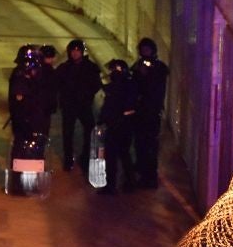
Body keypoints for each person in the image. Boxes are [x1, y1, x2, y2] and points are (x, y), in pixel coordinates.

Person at [55, 39, 102, 172]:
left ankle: (86, 156)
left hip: (84, 105)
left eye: (77, 51)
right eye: (73, 51)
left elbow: (96, 84)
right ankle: (68, 159)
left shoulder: (90, 67)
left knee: (89, 130)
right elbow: (56, 83)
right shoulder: (64, 67)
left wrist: (86, 95)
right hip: (69, 105)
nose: (75, 53)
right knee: (68, 133)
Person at [131, 37, 169, 189]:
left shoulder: (159, 67)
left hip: (152, 112)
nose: (145, 52)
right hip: (139, 112)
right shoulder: (137, 66)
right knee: (140, 143)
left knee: (151, 145)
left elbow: (157, 87)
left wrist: (147, 74)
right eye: (143, 49)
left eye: (148, 49)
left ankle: (150, 176)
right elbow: (133, 85)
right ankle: (141, 170)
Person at [97, 59, 138, 194]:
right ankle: (126, 182)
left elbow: (113, 106)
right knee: (121, 154)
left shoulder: (123, 86)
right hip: (120, 124)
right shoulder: (126, 85)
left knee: (116, 154)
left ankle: (115, 184)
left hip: (119, 125)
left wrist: (105, 119)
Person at [8, 45, 51, 159]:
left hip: (36, 120)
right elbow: (18, 104)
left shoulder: (40, 76)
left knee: (35, 149)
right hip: (23, 120)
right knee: (20, 147)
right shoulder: (19, 77)